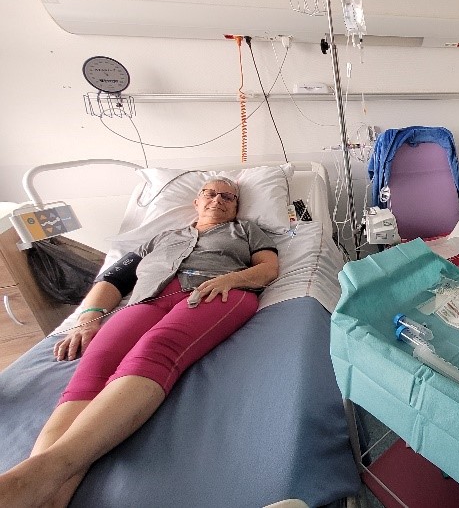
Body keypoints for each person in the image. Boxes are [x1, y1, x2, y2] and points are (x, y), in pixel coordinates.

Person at [0, 177, 279, 507]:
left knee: (155, 347)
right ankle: (48, 495)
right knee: (95, 365)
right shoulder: (161, 237)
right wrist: (89, 316)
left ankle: (39, 475)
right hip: (146, 300)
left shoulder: (246, 231)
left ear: (236, 207)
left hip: (215, 293)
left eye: (228, 197)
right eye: (210, 193)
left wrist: (232, 278)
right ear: (196, 201)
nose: (218, 200)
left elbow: (268, 268)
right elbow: (113, 279)